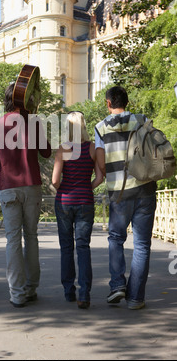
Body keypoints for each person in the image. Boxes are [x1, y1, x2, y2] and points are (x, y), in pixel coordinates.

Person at [0, 83, 51, 308]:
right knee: (31, 236)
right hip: (31, 185)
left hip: (8, 187)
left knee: (13, 239)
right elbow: (46, 152)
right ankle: (32, 288)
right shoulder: (33, 123)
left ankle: (17, 293)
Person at [95, 86, 157, 310]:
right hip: (145, 188)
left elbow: (101, 164)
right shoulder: (142, 120)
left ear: (108, 103)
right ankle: (136, 298)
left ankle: (117, 286)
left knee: (116, 239)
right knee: (141, 245)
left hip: (119, 192)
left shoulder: (100, 128)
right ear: (127, 102)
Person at [52, 111, 103, 308]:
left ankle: (68, 292)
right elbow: (99, 178)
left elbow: (55, 180)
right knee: (83, 247)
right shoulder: (92, 148)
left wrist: (64, 188)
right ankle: (84, 293)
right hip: (85, 202)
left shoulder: (63, 149)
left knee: (66, 247)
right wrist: (85, 188)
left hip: (64, 201)